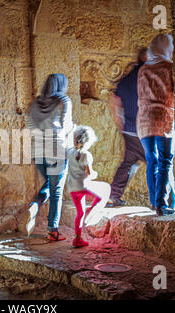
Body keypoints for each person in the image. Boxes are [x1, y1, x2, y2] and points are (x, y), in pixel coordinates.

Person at [25, 74, 74, 241]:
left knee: (50, 184)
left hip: (38, 150)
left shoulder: (35, 103)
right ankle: (53, 231)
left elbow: (30, 125)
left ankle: (35, 205)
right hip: (57, 149)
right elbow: (66, 126)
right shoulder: (63, 101)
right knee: (56, 191)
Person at [137, 33, 175, 216]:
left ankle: (154, 202)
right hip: (163, 119)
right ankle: (162, 205)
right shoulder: (169, 67)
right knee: (165, 162)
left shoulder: (143, 70)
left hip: (143, 120)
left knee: (151, 161)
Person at [106, 48, 148, 207]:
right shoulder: (150, 77)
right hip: (146, 130)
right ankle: (163, 203)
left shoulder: (126, 79)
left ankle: (113, 196)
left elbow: (114, 101)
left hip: (129, 129)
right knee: (158, 165)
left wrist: (120, 124)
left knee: (128, 163)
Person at [67, 125, 111, 248]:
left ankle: (77, 239)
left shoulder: (70, 152)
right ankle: (92, 211)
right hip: (84, 186)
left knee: (79, 213)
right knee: (105, 190)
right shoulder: (86, 155)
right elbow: (90, 173)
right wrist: (96, 174)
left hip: (72, 188)